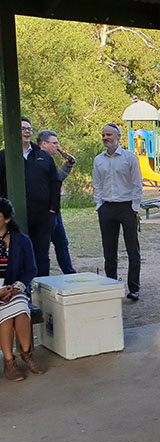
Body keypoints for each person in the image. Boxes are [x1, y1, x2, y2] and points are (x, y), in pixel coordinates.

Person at [0, 118, 60, 277]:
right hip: (14, 217)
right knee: (16, 254)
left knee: (41, 255)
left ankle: (41, 289)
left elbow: (55, 182)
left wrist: (53, 209)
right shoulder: (3, 156)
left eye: (29, 129)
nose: (27, 131)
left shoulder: (43, 156)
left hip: (42, 215)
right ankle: (19, 290)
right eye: (22, 128)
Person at [93, 123, 143, 301]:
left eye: (109, 135)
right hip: (107, 207)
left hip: (126, 207)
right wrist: (99, 205)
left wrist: (134, 207)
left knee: (132, 250)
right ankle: (111, 286)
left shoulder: (130, 158)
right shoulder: (98, 160)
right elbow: (97, 184)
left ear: (118, 137)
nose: (106, 138)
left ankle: (134, 288)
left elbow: (137, 184)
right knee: (109, 250)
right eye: (103, 135)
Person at [0, 198, 46, 381]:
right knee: (5, 317)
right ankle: (9, 363)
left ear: (6, 220)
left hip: (14, 287)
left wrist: (18, 286)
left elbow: (31, 269)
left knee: (21, 309)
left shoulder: (21, 241)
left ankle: (26, 354)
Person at [37, 130, 77, 274]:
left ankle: (70, 274)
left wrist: (68, 165)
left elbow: (56, 179)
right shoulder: (37, 159)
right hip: (43, 210)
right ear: (44, 144)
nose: (57, 146)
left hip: (55, 209)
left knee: (62, 243)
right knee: (43, 247)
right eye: (54, 143)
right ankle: (42, 279)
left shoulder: (48, 159)